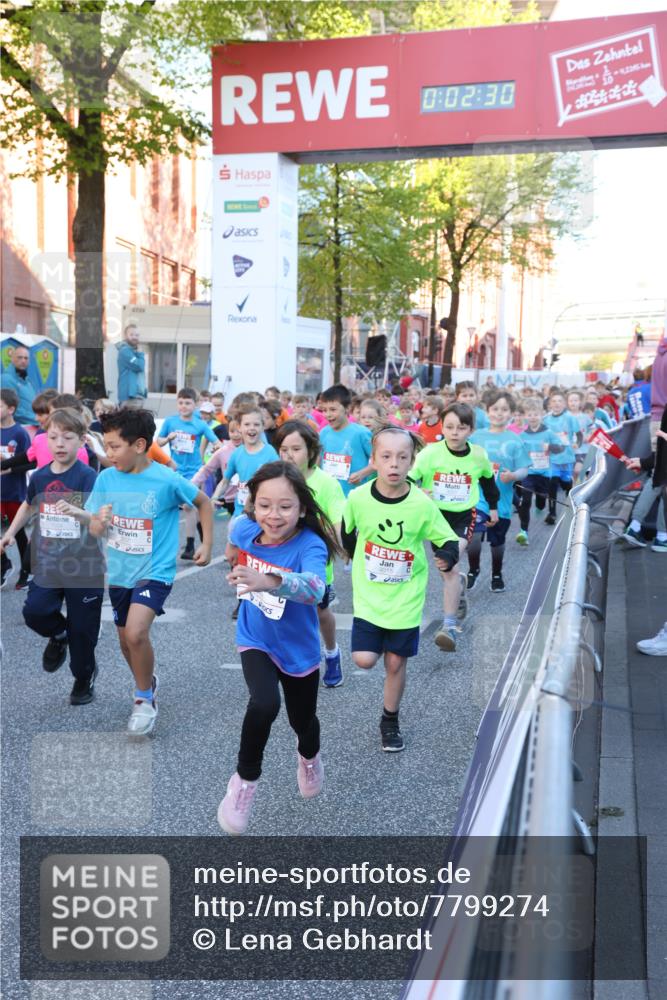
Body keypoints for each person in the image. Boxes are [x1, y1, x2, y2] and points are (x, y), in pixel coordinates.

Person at [218, 461, 339, 835]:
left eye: (285, 506)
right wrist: (236, 571)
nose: (274, 515)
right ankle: (244, 783)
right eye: (265, 505)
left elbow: (316, 588)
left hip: (298, 649)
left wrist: (268, 579)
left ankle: (309, 757)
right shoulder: (243, 527)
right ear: (253, 505)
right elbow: (234, 551)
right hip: (255, 637)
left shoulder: (310, 544)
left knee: (302, 722)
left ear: (302, 508)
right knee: (264, 703)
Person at [86, 408, 213, 735]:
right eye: (106, 445)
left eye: (114, 446)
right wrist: (99, 522)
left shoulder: (166, 479)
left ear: (140, 445)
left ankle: (144, 699)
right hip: (119, 573)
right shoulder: (106, 479)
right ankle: (148, 681)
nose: (108, 453)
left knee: (136, 633)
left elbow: (204, 503)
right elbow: (95, 528)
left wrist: (207, 545)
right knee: (126, 643)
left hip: (155, 571)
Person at [342, 427, 459, 750]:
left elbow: (446, 537)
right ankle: (380, 643)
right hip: (369, 597)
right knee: (364, 660)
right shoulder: (358, 497)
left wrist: (447, 556)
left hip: (406, 597)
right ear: (374, 461)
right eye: (386, 457)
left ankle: (390, 720)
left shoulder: (420, 503)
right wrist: (356, 556)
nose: (394, 464)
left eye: (402, 457)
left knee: (395, 663)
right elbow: (347, 531)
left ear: (411, 462)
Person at [0, 408, 104, 704]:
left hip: (84, 566)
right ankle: (59, 635)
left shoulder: (87, 476)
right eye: (53, 437)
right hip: (48, 560)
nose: (59, 444)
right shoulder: (42, 475)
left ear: (82, 440)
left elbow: (98, 519)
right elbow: (28, 505)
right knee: (35, 612)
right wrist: (10, 533)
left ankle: (84, 677)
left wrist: (78, 512)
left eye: (67, 438)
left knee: (83, 631)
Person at [411, 402, 499, 652]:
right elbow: (410, 478)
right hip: (434, 516)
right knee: (448, 570)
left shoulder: (478, 455)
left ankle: (449, 627)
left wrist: (493, 508)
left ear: (470, 430)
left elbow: (488, 482)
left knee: (449, 560)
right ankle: (458, 588)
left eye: (461, 428)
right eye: (449, 427)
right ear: (442, 427)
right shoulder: (430, 454)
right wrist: (418, 489)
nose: (454, 432)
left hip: (463, 516)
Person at [275, 420, 347, 688]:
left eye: (296, 449)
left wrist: (344, 546)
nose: (289, 455)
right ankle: (290, 664)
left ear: (312, 452)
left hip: (314, 561)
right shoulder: (276, 479)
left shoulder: (326, 483)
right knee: (283, 612)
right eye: (283, 449)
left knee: (319, 612)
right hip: (280, 557)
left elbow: (338, 517)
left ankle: (331, 652)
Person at [468, 390, 530, 592]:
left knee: (497, 541)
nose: (499, 413)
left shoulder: (515, 439)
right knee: (474, 535)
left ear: (511, 413)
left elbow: (524, 469)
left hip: (502, 500)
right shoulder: (476, 437)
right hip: (477, 497)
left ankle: (496, 574)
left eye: (504, 409)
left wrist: (513, 476)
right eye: (495, 409)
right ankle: (473, 570)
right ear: (487, 412)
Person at [157, 387, 220, 559]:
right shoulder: (170, 422)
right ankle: (200, 529)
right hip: (176, 470)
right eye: (181, 403)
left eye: (188, 403)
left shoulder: (200, 424)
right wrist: (168, 438)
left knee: (187, 506)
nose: (184, 406)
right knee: (186, 507)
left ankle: (190, 545)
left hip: (195, 470)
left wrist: (216, 447)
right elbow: (158, 443)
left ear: (195, 405)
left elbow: (217, 442)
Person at [516, 398, 565, 544]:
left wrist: (549, 447)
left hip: (544, 474)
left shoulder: (548, 433)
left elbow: (561, 447)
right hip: (528, 473)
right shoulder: (522, 435)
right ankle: (523, 531)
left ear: (541, 415)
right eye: (529, 414)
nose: (532, 417)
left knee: (541, 501)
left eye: (535, 414)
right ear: (525, 416)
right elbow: (517, 452)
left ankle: (540, 506)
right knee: (525, 499)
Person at [0, 388, 31, 588]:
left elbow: (31, 462)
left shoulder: (20, 433)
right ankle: (4, 565)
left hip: (14, 492)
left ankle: (25, 571)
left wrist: (8, 466)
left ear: (11, 409)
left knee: (17, 533)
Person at [318, 384, 373, 495]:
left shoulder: (361, 433)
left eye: (333, 409)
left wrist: (362, 473)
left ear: (347, 408)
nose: (327, 414)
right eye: (324, 410)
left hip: (355, 495)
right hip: (329, 495)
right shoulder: (323, 433)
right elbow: (319, 461)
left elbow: (379, 460)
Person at [543, 390, 581, 524]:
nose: (557, 403)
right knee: (552, 482)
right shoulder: (546, 419)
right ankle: (552, 513)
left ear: (564, 404)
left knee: (565, 483)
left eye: (560, 401)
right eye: (554, 401)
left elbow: (579, 434)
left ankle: (570, 501)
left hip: (567, 457)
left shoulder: (570, 417)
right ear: (549, 404)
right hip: (552, 458)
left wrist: (577, 443)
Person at [0, 344, 38, 428]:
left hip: (32, 425)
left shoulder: (27, 380)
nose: (23, 360)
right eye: (19, 357)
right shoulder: (6, 379)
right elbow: (12, 409)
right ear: (12, 359)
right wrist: (37, 419)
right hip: (18, 429)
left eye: (26, 358)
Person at [116, 323, 147, 406]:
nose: (134, 337)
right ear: (125, 336)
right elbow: (139, 366)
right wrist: (140, 354)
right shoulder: (125, 351)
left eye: (137, 335)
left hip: (137, 395)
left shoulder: (133, 351)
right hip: (130, 397)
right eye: (131, 334)